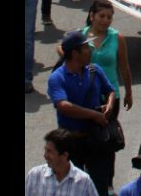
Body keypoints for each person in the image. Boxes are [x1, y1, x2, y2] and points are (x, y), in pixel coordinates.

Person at [74, 0, 133, 195]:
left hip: (110, 97)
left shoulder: (117, 38)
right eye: (102, 16)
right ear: (92, 16)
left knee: (107, 140)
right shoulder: (80, 37)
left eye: (109, 17)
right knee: (85, 139)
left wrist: (128, 93)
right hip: (85, 98)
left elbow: (124, 67)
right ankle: (87, 180)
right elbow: (65, 55)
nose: (105, 20)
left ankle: (106, 182)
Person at [48, 31, 116, 196]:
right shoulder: (57, 78)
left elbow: (110, 91)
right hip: (71, 143)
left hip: (96, 139)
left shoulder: (95, 70)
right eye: (86, 47)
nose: (90, 50)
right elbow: (64, 106)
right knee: (72, 188)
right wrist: (93, 115)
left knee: (100, 185)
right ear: (74, 53)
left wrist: (109, 105)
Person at [24, 128, 98, 196]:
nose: (45, 155)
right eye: (45, 150)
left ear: (64, 155)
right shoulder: (34, 176)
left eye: (49, 151)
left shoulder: (84, 182)